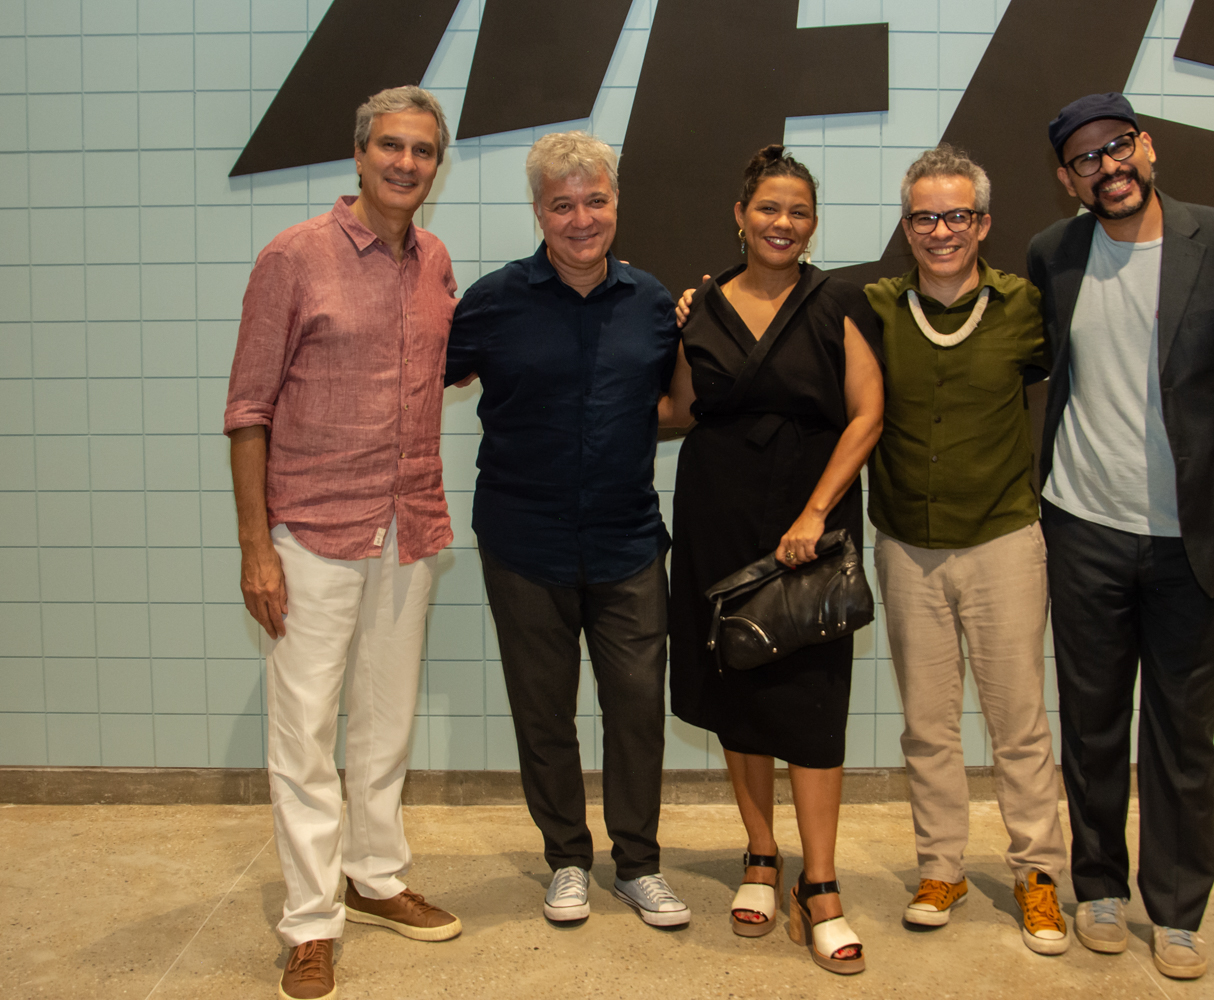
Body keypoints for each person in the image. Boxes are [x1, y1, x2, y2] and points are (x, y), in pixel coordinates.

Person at [1027, 93, 1214, 980]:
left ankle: (1178, 910)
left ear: (1148, 147)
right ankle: (1100, 886)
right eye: (1086, 159)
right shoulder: (1052, 254)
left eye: (1118, 147)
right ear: (1068, 178)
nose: (1107, 168)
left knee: (1182, 732)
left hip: (1197, 536)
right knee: (1092, 724)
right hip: (1083, 526)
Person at [224, 86, 462, 1000]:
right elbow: (248, 410)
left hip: (409, 525)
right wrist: (257, 548)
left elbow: (440, 365)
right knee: (305, 737)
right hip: (312, 533)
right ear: (359, 155)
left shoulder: (435, 261)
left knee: (386, 722)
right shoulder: (294, 257)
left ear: (436, 165)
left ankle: (374, 876)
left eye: (423, 151)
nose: (406, 163)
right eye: (391, 146)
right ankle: (311, 921)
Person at [444, 131, 689, 930]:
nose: (581, 219)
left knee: (637, 709)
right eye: (562, 205)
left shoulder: (653, 302)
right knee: (543, 712)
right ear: (539, 212)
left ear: (616, 204)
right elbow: (420, 378)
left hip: (627, 542)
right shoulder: (491, 302)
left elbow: (679, 406)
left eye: (595, 201)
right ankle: (568, 861)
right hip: (523, 541)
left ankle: (639, 864)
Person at [661, 145, 884, 975]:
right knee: (737, 689)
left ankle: (819, 884)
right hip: (717, 515)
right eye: (768, 208)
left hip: (808, 524)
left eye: (798, 211)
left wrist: (815, 514)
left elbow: (868, 415)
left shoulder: (839, 301)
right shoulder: (700, 306)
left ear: (813, 223)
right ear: (740, 215)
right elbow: (680, 410)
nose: (782, 223)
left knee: (813, 701)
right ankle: (761, 854)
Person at [864, 145, 1071, 954]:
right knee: (927, 725)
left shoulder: (1024, 306)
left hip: (1003, 540)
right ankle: (940, 867)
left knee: (1018, 723)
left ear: (983, 223)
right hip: (906, 546)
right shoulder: (876, 307)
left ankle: (1038, 874)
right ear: (906, 226)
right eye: (925, 217)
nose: (941, 231)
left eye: (957, 215)